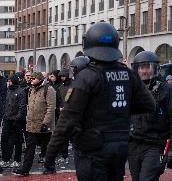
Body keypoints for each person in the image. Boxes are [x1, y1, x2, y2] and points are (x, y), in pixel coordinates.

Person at [44, 22, 156, 181]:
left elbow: (66, 121)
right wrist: (119, 111)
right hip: (120, 148)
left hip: (92, 150)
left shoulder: (87, 77)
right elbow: (149, 105)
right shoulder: (128, 74)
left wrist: (50, 155)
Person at [128, 51, 172, 181]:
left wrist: (170, 151)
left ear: (155, 68)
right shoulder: (131, 89)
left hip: (155, 144)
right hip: (134, 144)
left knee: (147, 178)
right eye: (141, 67)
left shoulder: (165, 90)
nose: (144, 71)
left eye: (147, 67)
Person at [13, 72, 56, 176]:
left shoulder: (48, 89)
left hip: (44, 125)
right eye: (30, 78)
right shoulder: (31, 89)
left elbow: (51, 107)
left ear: (40, 79)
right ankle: (25, 169)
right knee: (30, 148)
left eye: (33, 78)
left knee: (47, 148)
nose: (31, 80)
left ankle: (50, 167)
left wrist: (45, 123)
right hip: (32, 124)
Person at [0, 75, 27, 168]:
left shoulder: (20, 92)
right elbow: (5, 105)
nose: (8, 83)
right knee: (4, 139)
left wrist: (18, 118)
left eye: (10, 81)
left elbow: (22, 107)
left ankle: (17, 159)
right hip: (7, 119)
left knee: (17, 141)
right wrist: (4, 117)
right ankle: (5, 159)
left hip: (17, 120)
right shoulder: (8, 91)